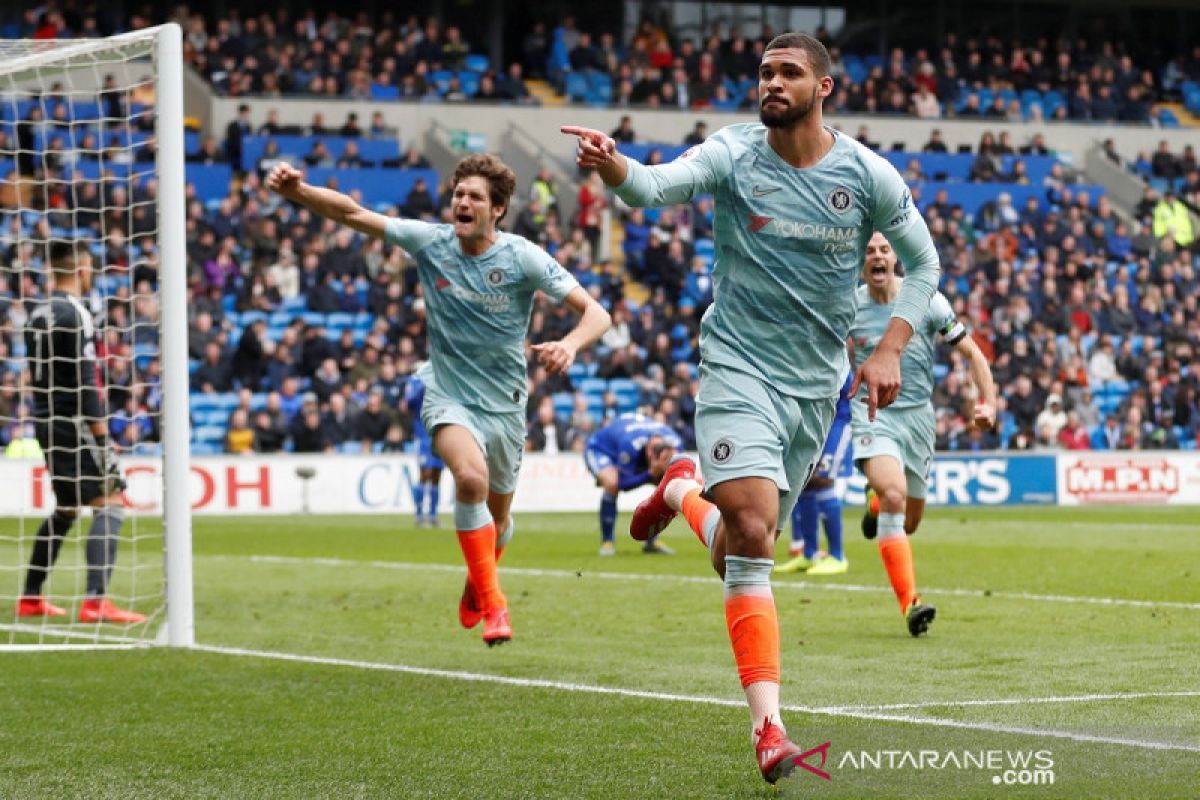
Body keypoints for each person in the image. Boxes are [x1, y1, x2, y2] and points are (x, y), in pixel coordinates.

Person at [563, 31, 938, 785]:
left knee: (739, 545)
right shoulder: (733, 152)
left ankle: (675, 487)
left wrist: (891, 345)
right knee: (755, 525)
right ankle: (769, 727)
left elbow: (924, 263)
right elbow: (657, 186)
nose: (771, 82)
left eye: (788, 73)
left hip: (814, 388)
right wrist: (615, 167)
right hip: (736, 366)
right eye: (765, 72)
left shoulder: (866, 174)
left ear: (823, 88)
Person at [267, 155, 610, 647]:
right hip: (449, 394)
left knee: (500, 521)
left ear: (498, 209)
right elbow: (352, 215)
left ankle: (479, 582)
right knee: (469, 479)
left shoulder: (522, 257)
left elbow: (597, 313)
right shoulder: (431, 242)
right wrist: (299, 191)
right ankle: (495, 603)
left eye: (474, 196)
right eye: (458, 193)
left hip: (507, 405)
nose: (462, 202)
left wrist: (569, 344)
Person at [852, 231, 996, 635]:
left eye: (883, 249)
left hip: (918, 419)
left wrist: (989, 401)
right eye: (868, 251)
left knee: (909, 519)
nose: (877, 256)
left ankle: (876, 503)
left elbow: (972, 353)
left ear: (895, 256)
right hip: (873, 414)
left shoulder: (926, 300)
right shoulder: (849, 307)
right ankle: (910, 605)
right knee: (895, 493)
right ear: (860, 262)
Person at [17, 240, 146, 624]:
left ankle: (30, 597)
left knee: (68, 508)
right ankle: (96, 601)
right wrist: (101, 429)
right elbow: (84, 377)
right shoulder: (77, 312)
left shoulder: (37, 311)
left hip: (45, 419)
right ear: (82, 268)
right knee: (112, 501)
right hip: (75, 420)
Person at [775, 373, 853, 574]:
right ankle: (809, 554)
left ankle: (837, 556)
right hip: (814, 418)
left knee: (823, 479)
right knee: (806, 482)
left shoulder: (832, 352)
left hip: (838, 420)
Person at [583, 413, 682, 556]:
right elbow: (623, 484)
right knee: (612, 484)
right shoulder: (630, 444)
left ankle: (651, 541)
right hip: (601, 450)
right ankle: (607, 541)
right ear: (648, 449)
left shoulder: (675, 442)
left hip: (630, 449)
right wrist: (649, 474)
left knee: (667, 487)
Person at [403, 369, 444, 528]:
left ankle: (433, 514)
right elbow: (408, 403)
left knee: (436, 474)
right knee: (424, 472)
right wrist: (422, 389)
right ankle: (419, 514)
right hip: (422, 434)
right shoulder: (415, 380)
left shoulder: (443, 376)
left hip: (439, 432)